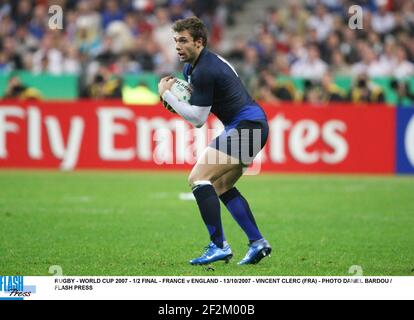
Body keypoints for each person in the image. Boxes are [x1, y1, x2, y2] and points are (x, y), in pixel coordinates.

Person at [158, 17, 271, 266]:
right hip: (250, 125)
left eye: (183, 40)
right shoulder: (195, 66)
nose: (177, 46)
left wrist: (168, 96)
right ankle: (257, 242)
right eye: (175, 40)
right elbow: (196, 100)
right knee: (221, 185)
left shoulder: (205, 69)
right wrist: (178, 99)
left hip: (247, 126)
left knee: (198, 178)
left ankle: (218, 245)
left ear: (199, 42)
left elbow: (198, 118)